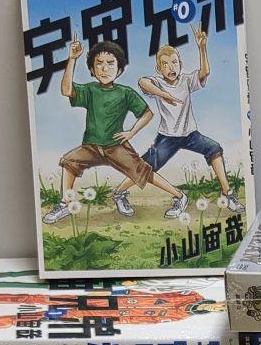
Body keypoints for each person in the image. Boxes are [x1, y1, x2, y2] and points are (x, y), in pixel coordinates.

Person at [41, 39, 188, 226]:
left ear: (119, 70)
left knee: (143, 172)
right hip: (92, 146)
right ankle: (65, 204)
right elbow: (66, 90)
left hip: (116, 147)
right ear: (92, 69)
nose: (104, 69)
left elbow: (147, 113)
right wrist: (72, 59)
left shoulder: (125, 93)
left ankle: (179, 196)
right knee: (69, 161)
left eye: (110, 64)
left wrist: (131, 132)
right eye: (99, 64)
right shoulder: (90, 90)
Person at [112, 28, 242, 217]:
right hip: (167, 138)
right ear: (159, 69)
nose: (170, 67)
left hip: (190, 135)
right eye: (165, 64)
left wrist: (202, 48)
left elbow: (205, 72)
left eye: (174, 63)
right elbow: (142, 82)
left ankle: (227, 193)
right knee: (144, 166)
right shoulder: (158, 82)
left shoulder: (186, 80)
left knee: (214, 148)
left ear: (180, 65)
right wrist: (164, 95)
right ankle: (118, 192)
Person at [0, 288, 224, 345]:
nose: (217, 308)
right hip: (110, 302)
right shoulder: (191, 297)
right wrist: (119, 292)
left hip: (106, 316)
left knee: (40, 315)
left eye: (220, 309)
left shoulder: (184, 316)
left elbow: (147, 321)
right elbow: (156, 295)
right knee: (47, 300)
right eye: (221, 305)